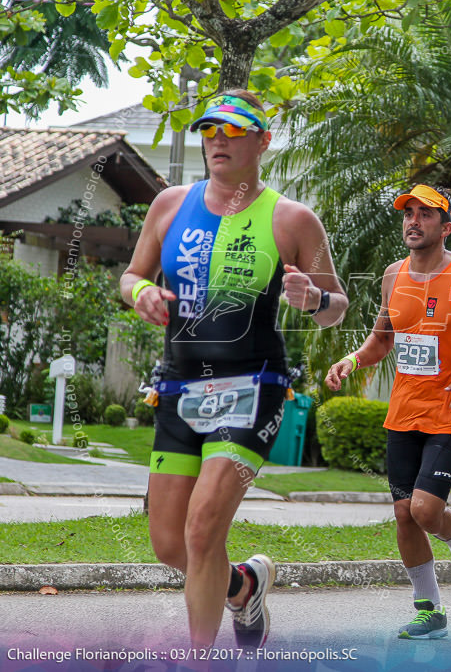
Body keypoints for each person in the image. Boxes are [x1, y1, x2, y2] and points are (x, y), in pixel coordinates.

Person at [120, 90, 348, 652]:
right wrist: (143, 292)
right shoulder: (170, 204)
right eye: (209, 130)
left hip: (253, 388)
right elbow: (129, 276)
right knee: (171, 544)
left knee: (202, 531)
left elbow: (338, 304)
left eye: (233, 130)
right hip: (177, 387)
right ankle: (244, 586)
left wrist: (312, 299)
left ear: (262, 141)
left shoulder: (292, 219)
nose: (217, 140)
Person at [325, 184, 451, 639]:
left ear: (446, 226)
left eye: (426, 214)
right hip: (403, 410)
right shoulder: (392, 276)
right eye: (408, 213)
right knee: (403, 514)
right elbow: (381, 341)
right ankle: (429, 610)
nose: (413, 220)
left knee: (423, 509)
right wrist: (351, 360)